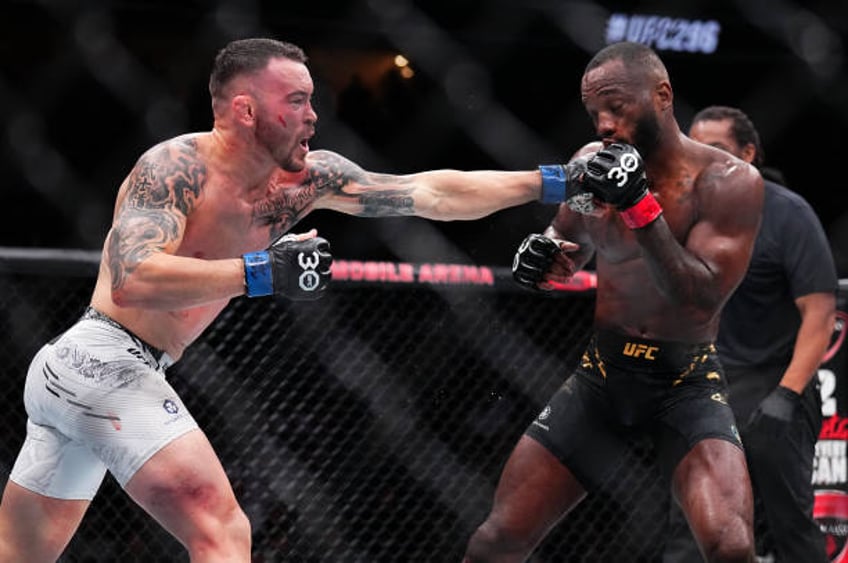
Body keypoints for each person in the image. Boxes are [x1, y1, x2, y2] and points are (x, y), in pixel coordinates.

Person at [0, 37, 612, 562]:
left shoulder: (306, 180)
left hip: (86, 374)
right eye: (296, 101)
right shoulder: (174, 166)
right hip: (102, 361)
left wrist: (554, 180)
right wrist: (262, 272)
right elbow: (134, 276)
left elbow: (427, 193)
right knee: (222, 529)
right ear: (245, 109)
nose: (314, 116)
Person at [463, 41, 765, 563]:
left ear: (662, 95)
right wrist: (542, 257)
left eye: (616, 106)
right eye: (593, 111)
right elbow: (569, 242)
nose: (603, 123)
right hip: (602, 376)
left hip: (684, 383)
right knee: (495, 542)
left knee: (730, 545)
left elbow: (697, 298)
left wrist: (639, 206)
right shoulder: (590, 164)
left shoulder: (729, 184)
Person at [663, 106, 837, 562]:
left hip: (773, 386)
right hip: (706, 389)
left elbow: (819, 314)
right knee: (690, 530)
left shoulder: (788, 215)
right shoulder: (684, 215)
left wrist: (786, 396)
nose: (705, 159)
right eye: (696, 149)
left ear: (749, 153)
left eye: (717, 150)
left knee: (789, 526)